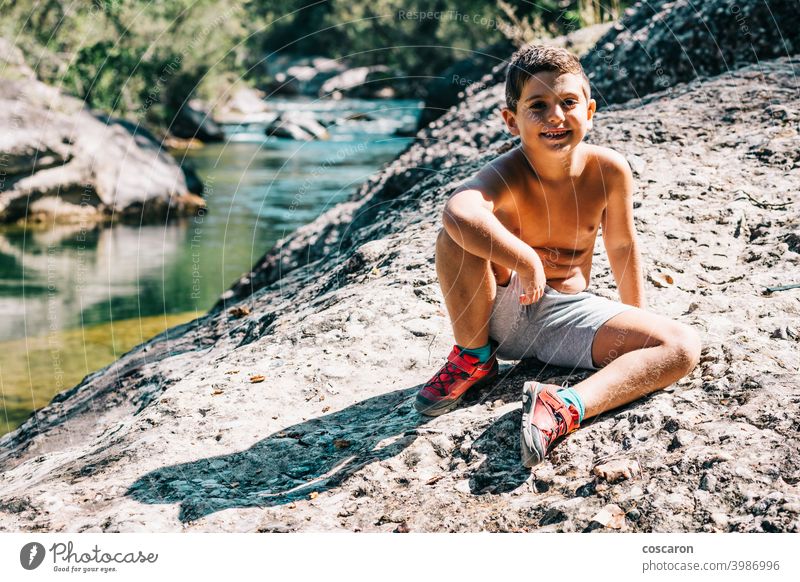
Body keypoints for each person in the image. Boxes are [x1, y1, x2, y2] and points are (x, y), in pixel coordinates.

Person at [414, 45, 701, 467]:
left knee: (680, 346)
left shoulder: (609, 170)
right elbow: (459, 211)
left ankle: (562, 408)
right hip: (496, 311)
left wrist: (637, 318)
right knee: (453, 236)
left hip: (562, 320)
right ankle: (472, 358)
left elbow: (621, 244)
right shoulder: (506, 174)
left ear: (590, 110)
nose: (555, 116)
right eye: (538, 106)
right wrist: (526, 261)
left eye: (568, 102)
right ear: (511, 121)